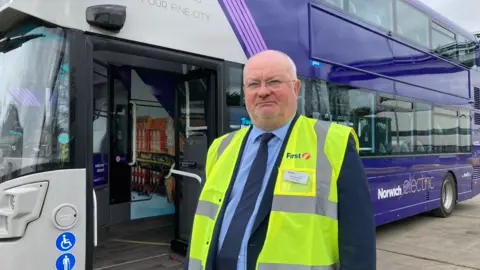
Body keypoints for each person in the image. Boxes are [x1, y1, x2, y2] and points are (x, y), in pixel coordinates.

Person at [183, 50, 376, 270]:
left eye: (274, 82)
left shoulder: (335, 144)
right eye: (254, 84)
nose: (263, 91)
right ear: (245, 92)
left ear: (296, 88)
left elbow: (358, 240)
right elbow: (202, 223)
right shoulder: (220, 147)